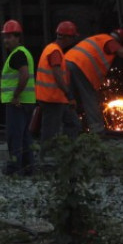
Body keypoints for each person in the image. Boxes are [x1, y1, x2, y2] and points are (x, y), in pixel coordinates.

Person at [64, 28, 123, 134]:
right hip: (81, 67)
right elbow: (122, 52)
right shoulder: (109, 40)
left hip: (67, 62)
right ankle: (97, 129)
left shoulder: (99, 38)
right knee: (89, 98)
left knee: (70, 99)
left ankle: (70, 128)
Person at [35, 20, 81, 155]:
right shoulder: (55, 52)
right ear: (66, 37)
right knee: (50, 131)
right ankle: (47, 160)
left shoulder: (51, 48)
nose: (73, 40)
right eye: (72, 37)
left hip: (56, 98)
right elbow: (57, 75)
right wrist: (69, 95)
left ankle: (67, 154)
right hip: (52, 99)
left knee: (73, 123)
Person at [1, 19, 36, 176]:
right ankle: (28, 168)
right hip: (27, 101)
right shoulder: (25, 53)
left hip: (17, 102)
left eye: (9, 37)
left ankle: (15, 168)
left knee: (14, 136)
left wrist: (15, 95)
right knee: (25, 137)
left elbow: (24, 75)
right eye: (5, 37)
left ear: (17, 37)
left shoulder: (18, 55)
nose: (6, 40)